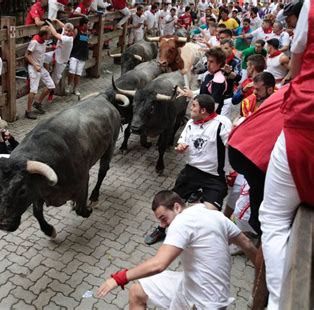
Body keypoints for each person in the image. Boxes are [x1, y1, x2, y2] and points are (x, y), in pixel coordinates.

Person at [97, 190, 257, 308]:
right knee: (137, 291)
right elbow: (247, 244)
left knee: (136, 289)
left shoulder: (182, 221)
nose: (163, 225)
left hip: (201, 301)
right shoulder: (217, 216)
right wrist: (261, 281)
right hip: (206, 291)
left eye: (163, 218)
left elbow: (158, 265)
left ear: (177, 207)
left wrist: (119, 278)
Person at [260, 0, 313, 308]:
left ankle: (279, 303)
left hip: (305, 123)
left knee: (274, 218)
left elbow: (298, 57)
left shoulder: (311, 6)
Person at [145, 95, 232, 245]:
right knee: (169, 204)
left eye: (194, 106)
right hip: (191, 171)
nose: (190, 108)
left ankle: (198, 237)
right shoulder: (191, 123)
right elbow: (182, 142)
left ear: (203, 110)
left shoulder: (221, 123)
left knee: (210, 214)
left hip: (214, 176)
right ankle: (161, 229)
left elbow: (231, 144)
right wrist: (180, 147)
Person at [41, 20, 75, 102]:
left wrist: (50, 24)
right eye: (66, 30)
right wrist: (56, 20)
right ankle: (46, 70)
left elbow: (55, 34)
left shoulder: (69, 39)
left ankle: (51, 93)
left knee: (54, 81)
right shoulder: (65, 30)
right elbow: (64, 26)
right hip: (54, 55)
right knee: (42, 57)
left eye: (68, 31)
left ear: (72, 32)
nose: (66, 32)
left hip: (61, 62)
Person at [25, 26, 55, 119]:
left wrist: (54, 47)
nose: (50, 36)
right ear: (44, 35)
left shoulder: (44, 41)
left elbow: (43, 50)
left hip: (41, 67)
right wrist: (35, 65)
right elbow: (27, 55)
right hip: (34, 67)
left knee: (51, 86)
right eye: (49, 34)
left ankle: (38, 102)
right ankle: (28, 111)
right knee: (33, 90)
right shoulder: (34, 42)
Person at [67, 17, 91, 97]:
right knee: (72, 70)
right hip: (74, 54)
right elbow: (72, 40)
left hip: (83, 55)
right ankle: (69, 85)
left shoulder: (87, 32)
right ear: (84, 24)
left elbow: (87, 41)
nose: (89, 25)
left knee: (78, 73)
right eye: (88, 24)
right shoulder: (76, 30)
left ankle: (75, 88)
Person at [220, 38, 242, 119]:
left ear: (232, 48)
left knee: (223, 120)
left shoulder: (236, 61)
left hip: (227, 95)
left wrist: (229, 73)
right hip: (215, 94)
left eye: (226, 48)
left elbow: (238, 77)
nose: (223, 51)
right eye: (221, 48)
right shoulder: (217, 59)